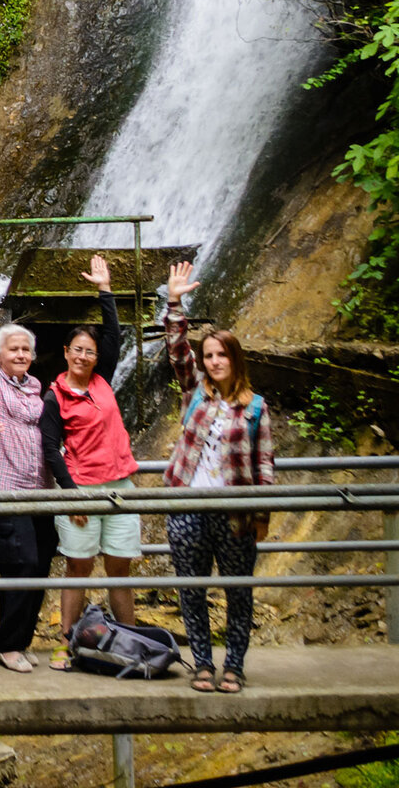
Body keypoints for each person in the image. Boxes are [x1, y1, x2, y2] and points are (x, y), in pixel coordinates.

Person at [163, 261, 275, 694]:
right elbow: (176, 351)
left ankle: (235, 666)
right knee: (191, 589)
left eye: (221, 354)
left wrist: (263, 514)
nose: (213, 362)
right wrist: (174, 302)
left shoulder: (255, 407)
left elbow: (264, 465)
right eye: (208, 356)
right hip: (187, 505)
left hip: (234, 513)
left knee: (237, 591)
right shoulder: (196, 393)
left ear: (235, 358)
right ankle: (203, 666)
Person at [38, 254, 141, 671]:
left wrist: (105, 289)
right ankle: (65, 644)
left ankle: (132, 644)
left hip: (120, 486)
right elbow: (49, 450)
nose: (83, 356)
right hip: (81, 489)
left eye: (89, 351)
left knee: (119, 568)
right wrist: (73, 494)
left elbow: (115, 337)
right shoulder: (55, 396)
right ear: (65, 353)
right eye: (77, 350)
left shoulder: (103, 379)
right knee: (77, 567)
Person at [0, 256, 57, 674]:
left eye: (25, 350)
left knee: (40, 560)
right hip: (2, 487)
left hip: (38, 489)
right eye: (12, 349)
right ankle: (8, 644)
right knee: (19, 562)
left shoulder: (37, 392)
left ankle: (19, 638)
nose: (20, 354)